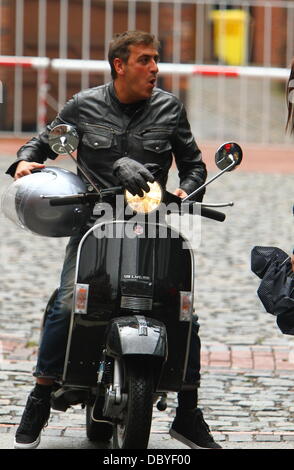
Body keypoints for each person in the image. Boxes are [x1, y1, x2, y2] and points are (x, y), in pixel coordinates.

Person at [6, 31, 221, 450]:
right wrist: (25, 161)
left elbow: (194, 166)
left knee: (183, 313)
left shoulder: (168, 108)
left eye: (156, 59)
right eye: (145, 60)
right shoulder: (83, 106)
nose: (154, 68)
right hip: (95, 226)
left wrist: (185, 192)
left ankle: (188, 413)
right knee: (68, 302)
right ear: (119, 65)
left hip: (153, 223)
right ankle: (40, 395)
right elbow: (45, 142)